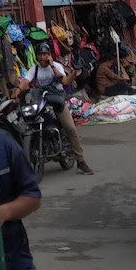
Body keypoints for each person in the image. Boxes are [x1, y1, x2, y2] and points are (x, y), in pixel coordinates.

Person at [16, 41, 94, 174]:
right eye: (40, 54)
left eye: (45, 54)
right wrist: (17, 90)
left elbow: (64, 81)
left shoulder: (56, 65)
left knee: (70, 128)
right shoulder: (34, 69)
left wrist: (52, 65)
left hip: (57, 101)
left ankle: (80, 160)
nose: (43, 57)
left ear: (50, 55)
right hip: (41, 102)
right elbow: (25, 81)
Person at [0, 125, 43, 270]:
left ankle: (79, 157)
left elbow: (33, 196)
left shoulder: (1, 143)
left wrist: (5, 212)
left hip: (14, 265)